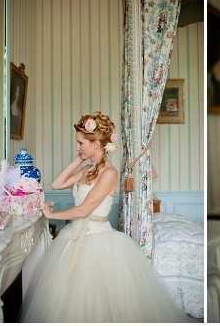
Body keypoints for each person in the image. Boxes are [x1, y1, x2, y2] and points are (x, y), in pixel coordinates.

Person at [20, 111, 193, 322]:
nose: (77, 147)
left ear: (96, 144)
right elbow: (57, 184)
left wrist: (51, 214)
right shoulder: (88, 169)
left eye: (81, 143)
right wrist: (79, 159)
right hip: (74, 237)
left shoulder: (109, 174)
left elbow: (84, 210)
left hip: (98, 240)